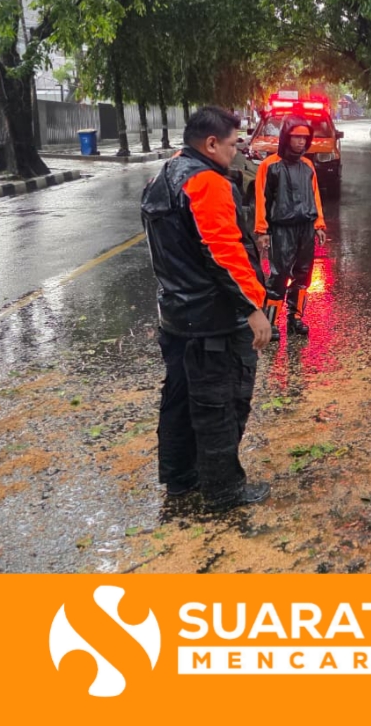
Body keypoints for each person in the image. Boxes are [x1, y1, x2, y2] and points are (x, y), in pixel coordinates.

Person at [140, 106, 272, 511]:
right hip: (213, 320)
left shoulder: (163, 176)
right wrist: (253, 307)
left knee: (179, 399)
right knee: (221, 403)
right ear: (211, 143)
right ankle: (223, 490)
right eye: (234, 144)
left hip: (177, 317)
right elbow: (223, 254)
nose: (238, 151)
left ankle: (180, 478)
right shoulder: (206, 183)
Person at [254, 115, 327, 340]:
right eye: (296, 137)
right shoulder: (270, 166)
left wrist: (319, 225)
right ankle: (271, 321)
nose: (300, 142)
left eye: (304, 138)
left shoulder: (308, 166)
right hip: (281, 228)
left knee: (303, 275)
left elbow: (315, 197)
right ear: (286, 137)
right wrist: (262, 230)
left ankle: (295, 318)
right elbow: (261, 199)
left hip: (305, 227)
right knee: (279, 275)